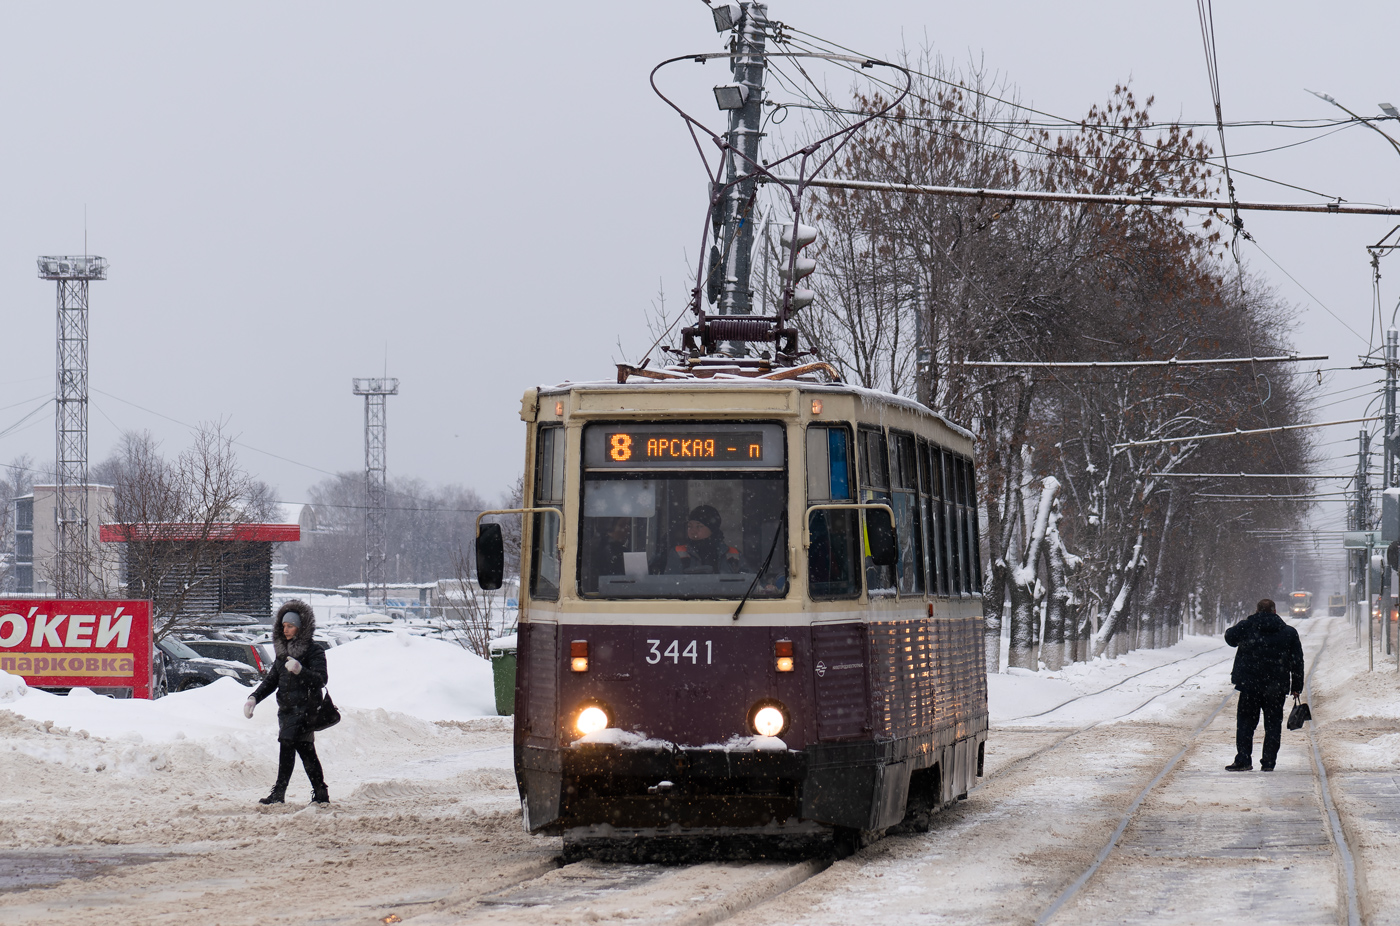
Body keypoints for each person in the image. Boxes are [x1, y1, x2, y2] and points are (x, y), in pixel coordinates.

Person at [244, 600, 330, 804]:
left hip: (306, 710)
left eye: (290, 626)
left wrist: (301, 670)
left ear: (300, 627)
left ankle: (279, 793)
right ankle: (320, 793)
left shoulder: (314, 651)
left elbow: (321, 679)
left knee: (287, 745)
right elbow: (272, 680)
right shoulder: (283, 654)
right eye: (283, 626)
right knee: (306, 752)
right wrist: (254, 698)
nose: (286, 630)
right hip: (287, 710)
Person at [1224, 598, 1305, 772]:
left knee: (1246, 724)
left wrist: (1248, 622)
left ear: (1257, 610)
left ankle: (1244, 759)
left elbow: (1230, 638)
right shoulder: (1288, 632)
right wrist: (1296, 687)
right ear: (1275, 611)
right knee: (1273, 725)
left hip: (1249, 686)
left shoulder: (1247, 627)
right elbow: (1297, 661)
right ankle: (1268, 762)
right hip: (1276, 688)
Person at [665, 504, 742, 575]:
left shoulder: (734, 555)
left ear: (712, 529)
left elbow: (748, 582)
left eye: (699, 526)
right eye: (689, 526)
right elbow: (671, 585)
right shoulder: (679, 553)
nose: (693, 531)